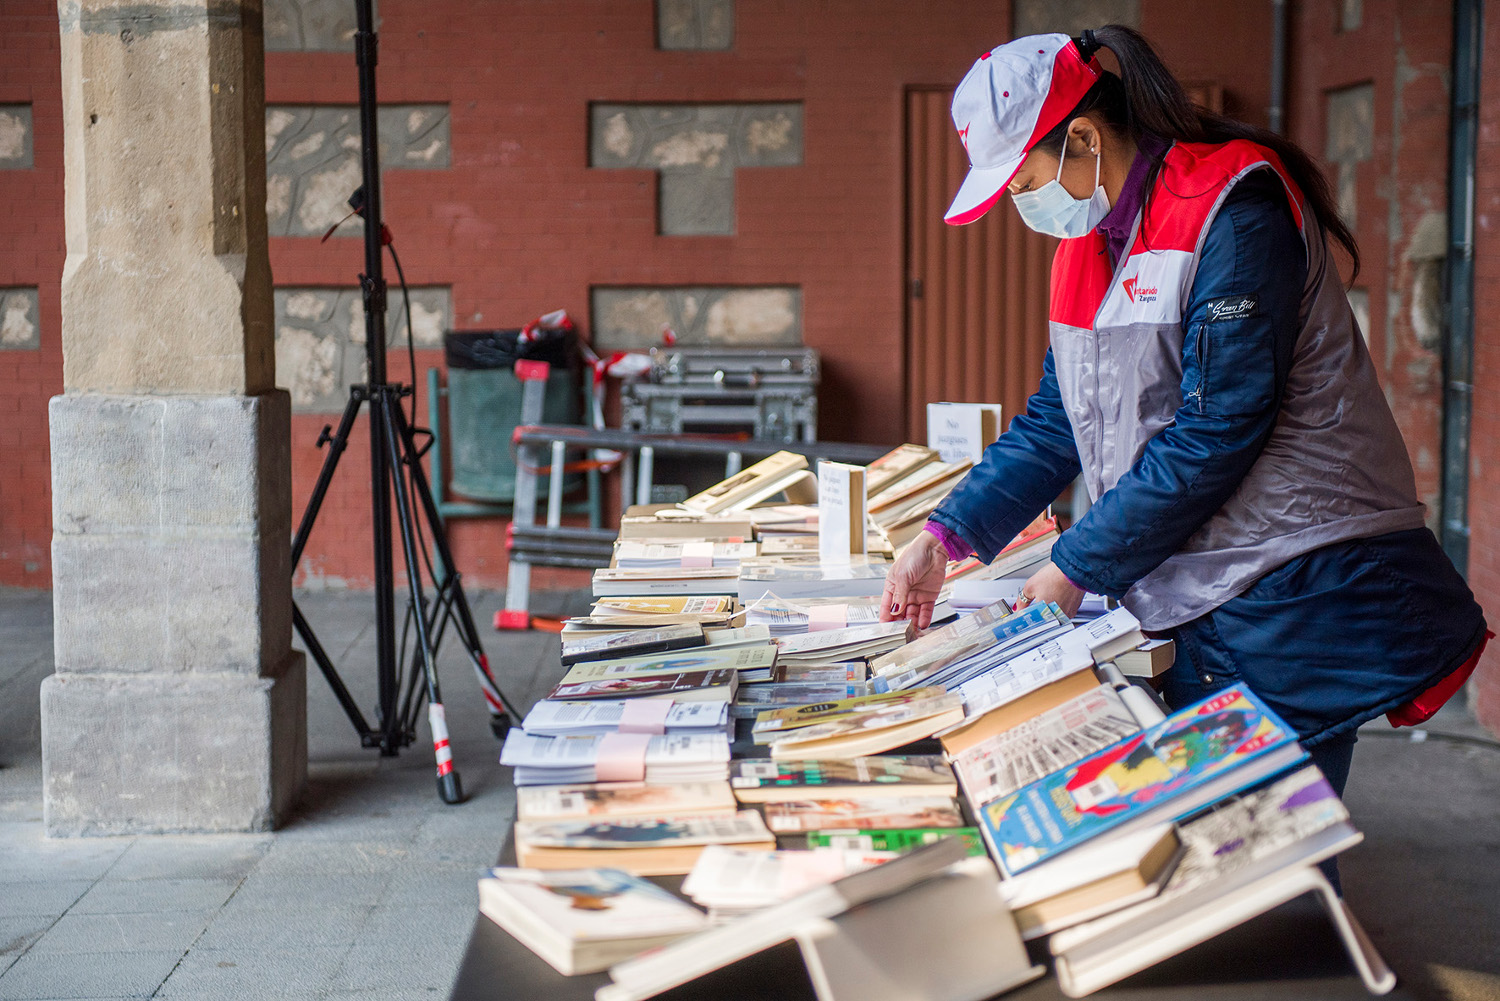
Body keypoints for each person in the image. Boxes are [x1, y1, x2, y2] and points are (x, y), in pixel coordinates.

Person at [881, 26, 1489, 887]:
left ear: (1083, 138)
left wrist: (1076, 563)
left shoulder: (1235, 212)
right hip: (1205, 588)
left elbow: (1220, 427)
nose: (1026, 204)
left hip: (1298, 586)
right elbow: (1058, 420)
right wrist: (942, 539)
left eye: (1024, 181)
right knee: (1216, 866)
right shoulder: (1088, 245)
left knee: (1264, 869)